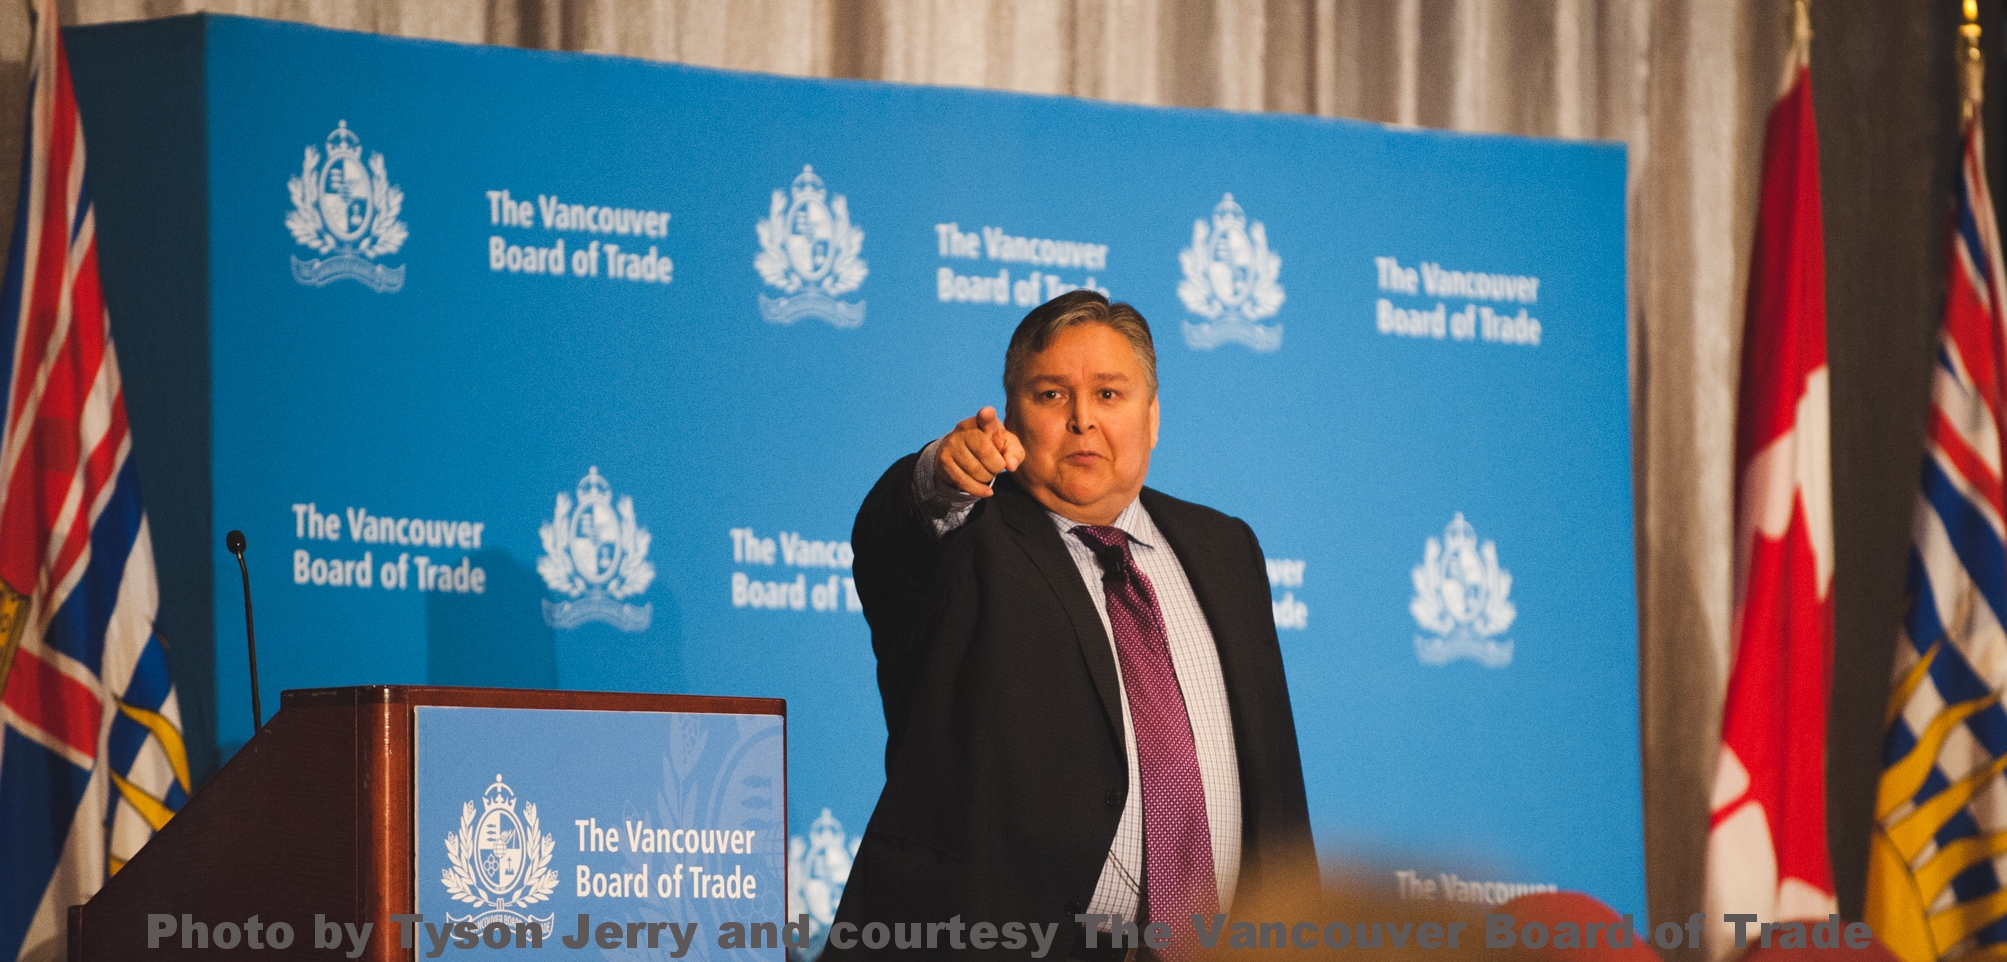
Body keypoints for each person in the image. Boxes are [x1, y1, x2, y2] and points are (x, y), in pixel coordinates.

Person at [829, 291, 1316, 960]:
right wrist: (942, 473)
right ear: (1011, 415)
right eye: (1052, 395)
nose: (1083, 419)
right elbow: (901, 536)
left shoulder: (1224, 548)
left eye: (1109, 395)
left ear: (1152, 417)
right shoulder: (971, 537)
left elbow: (1274, 778)